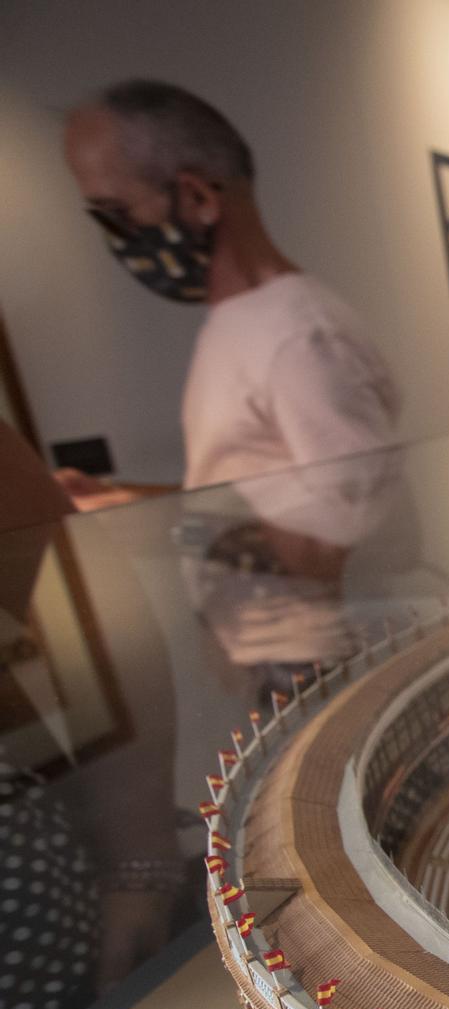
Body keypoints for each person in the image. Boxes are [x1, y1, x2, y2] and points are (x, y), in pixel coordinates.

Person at [62, 79, 398, 700]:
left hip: (321, 678)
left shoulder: (298, 339)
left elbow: (338, 552)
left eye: (116, 213)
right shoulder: (242, 325)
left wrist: (151, 524)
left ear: (195, 196)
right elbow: (252, 493)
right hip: (280, 668)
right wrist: (120, 497)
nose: (114, 239)